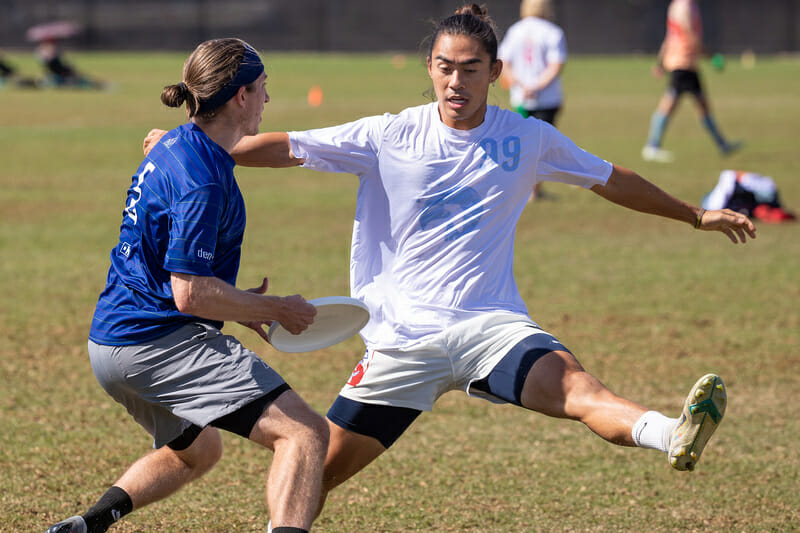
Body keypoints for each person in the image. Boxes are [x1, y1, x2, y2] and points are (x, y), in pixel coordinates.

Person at [146, 4, 756, 523]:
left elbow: (610, 179)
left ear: (496, 72)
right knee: (316, 470)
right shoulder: (389, 134)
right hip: (401, 345)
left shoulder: (528, 138)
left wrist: (695, 215)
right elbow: (279, 148)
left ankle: (670, 431)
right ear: (430, 70)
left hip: (492, 329)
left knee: (578, 388)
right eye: (444, 67)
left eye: (470, 69)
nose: (456, 81)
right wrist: (187, 144)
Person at [47, 38, 328, 533]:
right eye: (263, 89)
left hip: (109, 344)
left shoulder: (176, 142)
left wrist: (245, 306)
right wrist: (279, 308)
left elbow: (160, 158)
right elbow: (190, 293)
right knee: (303, 433)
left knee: (197, 452)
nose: (267, 99)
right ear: (240, 97)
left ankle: (88, 524)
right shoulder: (203, 180)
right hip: (156, 340)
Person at [642, 0, 740, 163]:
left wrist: (661, 62)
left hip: (687, 64)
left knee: (701, 105)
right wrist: (709, 55)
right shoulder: (683, 6)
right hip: (682, 62)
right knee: (670, 105)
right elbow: (687, 34)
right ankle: (652, 146)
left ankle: (722, 144)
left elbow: (669, 37)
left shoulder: (683, 5)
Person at [498, 0, 566, 201]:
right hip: (547, 98)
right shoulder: (553, 32)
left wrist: (520, 85)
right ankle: (533, 190)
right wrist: (536, 86)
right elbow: (556, 65)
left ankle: (524, 188)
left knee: (523, 143)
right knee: (542, 145)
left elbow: (504, 62)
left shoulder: (515, 30)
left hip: (520, 97)